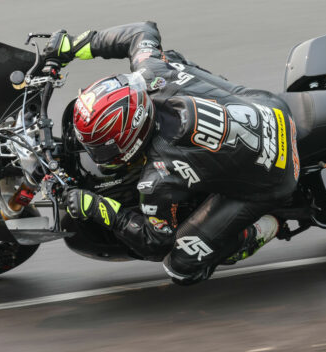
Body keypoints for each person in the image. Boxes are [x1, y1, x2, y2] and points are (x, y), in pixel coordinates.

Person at [43, 22, 300, 284]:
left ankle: (261, 229)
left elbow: (155, 242)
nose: (94, 152)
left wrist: (96, 207)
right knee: (175, 61)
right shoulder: (151, 70)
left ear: (132, 137)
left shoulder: (158, 177)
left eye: (100, 146)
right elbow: (141, 31)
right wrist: (75, 45)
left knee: (181, 266)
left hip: (274, 177)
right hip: (269, 107)